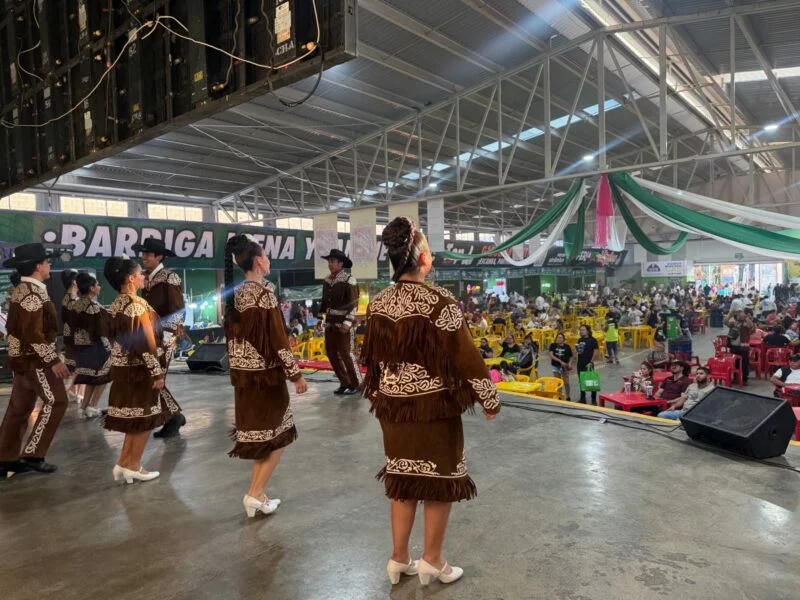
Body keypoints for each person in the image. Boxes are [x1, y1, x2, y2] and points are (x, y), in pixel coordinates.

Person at [361, 217, 500, 586]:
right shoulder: (440, 301)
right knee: (438, 482)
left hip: (392, 409)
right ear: (421, 257)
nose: (432, 256)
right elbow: (466, 356)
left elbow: (370, 361)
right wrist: (489, 398)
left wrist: (386, 392)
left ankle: (398, 558)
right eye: (429, 251)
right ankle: (433, 560)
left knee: (403, 479)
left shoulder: (377, 304)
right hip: (433, 409)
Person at [222, 235, 308, 517]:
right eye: (267, 256)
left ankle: (258, 493)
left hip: (243, 378)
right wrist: (295, 375)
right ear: (258, 261)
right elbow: (278, 340)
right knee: (279, 437)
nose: (269, 260)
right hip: (266, 379)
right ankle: (254, 493)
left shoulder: (234, 296)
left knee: (263, 438)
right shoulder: (264, 295)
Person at [104, 257, 182, 484]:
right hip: (138, 370)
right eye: (139, 273)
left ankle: (124, 462)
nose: (143, 276)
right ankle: (135, 465)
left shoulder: (118, 303)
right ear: (130, 278)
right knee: (144, 419)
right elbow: (145, 342)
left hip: (123, 368)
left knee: (135, 419)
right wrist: (156, 373)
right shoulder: (135, 305)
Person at [0, 244, 70, 477]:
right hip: (35, 361)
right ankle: (33, 454)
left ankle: (5, 458)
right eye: (47, 262)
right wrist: (53, 361)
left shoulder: (25, 289)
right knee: (57, 401)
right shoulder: (32, 293)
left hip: (23, 360)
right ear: (38, 266)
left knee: (19, 408)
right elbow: (33, 334)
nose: (50, 265)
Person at [133, 237, 187, 438]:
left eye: (148, 254)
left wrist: (166, 336)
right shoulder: (144, 277)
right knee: (152, 378)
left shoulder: (169, 278)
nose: (144, 257)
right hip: (148, 336)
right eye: (143, 253)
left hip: (164, 336)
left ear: (159, 256)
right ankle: (173, 417)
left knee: (155, 378)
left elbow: (178, 310)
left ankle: (173, 417)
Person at [318, 248, 361, 396]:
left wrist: (347, 323)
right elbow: (324, 302)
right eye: (329, 261)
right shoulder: (327, 280)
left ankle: (357, 384)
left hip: (344, 324)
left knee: (346, 354)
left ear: (341, 263)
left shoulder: (350, 280)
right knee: (331, 354)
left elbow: (354, 304)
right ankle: (345, 382)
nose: (330, 264)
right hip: (330, 323)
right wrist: (319, 318)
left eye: (333, 261)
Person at [71, 273, 111, 420]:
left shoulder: (76, 304)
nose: (99, 287)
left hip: (82, 348)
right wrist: (110, 348)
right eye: (97, 285)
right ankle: (93, 406)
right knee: (104, 377)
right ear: (91, 288)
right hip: (95, 348)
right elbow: (101, 331)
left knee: (90, 379)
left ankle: (84, 408)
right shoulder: (93, 307)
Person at [60, 269, 82, 403]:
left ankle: (75, 392)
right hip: (75, 338)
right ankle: (72, 392)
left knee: (77, 367)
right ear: (74, 282)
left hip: (72, 337)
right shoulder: (72, 299)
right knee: (78, 367)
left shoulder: (68, 297)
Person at [575, 324, 600, 405]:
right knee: (581, 381)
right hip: (580, 363)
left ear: (588, 331)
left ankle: (593, 399)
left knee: (592, 381)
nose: (581, 331)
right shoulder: (579, 340)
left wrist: (591, 362)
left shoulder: (593, 340)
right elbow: (579, 352)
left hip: (589, 363)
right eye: (580, 330)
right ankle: (583, 398)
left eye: (583, 330)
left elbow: (596, 351)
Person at [549, 332, 573, 400]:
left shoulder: (567, 346)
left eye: (560, 337)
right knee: (558, 381)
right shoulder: (553, 345)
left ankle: (568, 396)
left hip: (565, 367)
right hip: (556, 366)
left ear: (563, 339)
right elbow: (551, 355)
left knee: (566, 382)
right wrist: (560, 361)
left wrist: (570, 363)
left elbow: (571, 356)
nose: (558, 339)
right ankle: (559, 395)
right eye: (557, 337)